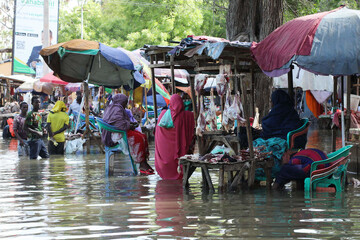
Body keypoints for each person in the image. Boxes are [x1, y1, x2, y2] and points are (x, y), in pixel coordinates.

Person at [101, 94, 154, 174]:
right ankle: (140, 163)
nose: (125, 105)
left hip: (116, 131)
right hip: (113, 135)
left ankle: (143, 162)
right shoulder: (116, 109)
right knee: (138, 138)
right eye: (125, 102)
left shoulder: (114, 108)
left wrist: (131, 124)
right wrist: (130, 125)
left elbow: (121, 122)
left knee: (142, 135)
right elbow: (120, 124)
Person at [155, 94, 195, 180]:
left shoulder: (163, 115)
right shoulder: (186, 116)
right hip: (179, 154)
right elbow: (195, 118)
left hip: (164, 155)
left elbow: (158, 136)